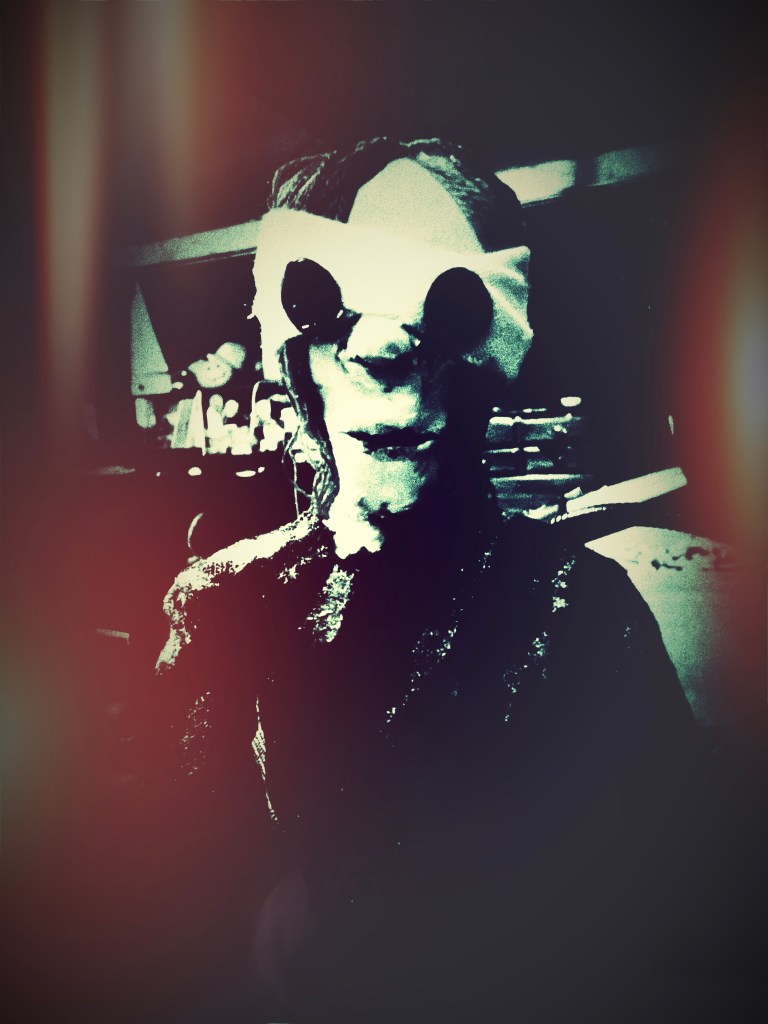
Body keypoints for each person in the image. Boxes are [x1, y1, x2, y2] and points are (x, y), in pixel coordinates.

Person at [151, 138, 701, 1023]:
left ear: (493, 357)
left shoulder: (585, 618)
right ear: (296, 361)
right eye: (323, 307)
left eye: (444, 313)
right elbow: (162, 896)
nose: (380, 352)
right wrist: (249, 930)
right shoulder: (224, 605)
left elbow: (666, 923)